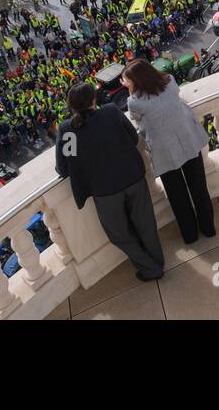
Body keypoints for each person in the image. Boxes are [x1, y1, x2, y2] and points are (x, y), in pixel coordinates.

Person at [55, 81, 165, 281]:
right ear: (94, 100)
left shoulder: (68, 130)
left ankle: (150, 267)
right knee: (146, 223)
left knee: (119, 235)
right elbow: (132, 138)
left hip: (104, 191)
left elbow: (64, 168)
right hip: (133, 177)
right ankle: (158, 261)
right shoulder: (112, 112)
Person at [122, 59, 215, 245]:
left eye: (126, 81)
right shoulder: (170, 82)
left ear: (136, 81)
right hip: (188, 140)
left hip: (164, 151)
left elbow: (135, 118)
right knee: (199, 188)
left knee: (178, 195)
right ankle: (208, 228)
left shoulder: (134, 102)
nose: (125, 84)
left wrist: (131, 90)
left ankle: (190, 235)